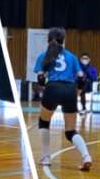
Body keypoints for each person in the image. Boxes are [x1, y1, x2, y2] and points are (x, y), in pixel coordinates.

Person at [34, 27, 92, 170]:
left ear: (48, 41)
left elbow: (40, 80)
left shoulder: (43, 56)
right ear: (63, 41)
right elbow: (82, 79)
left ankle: (46, 157)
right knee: (70, 131)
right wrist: (76, 93)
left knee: (44, 122)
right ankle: (86, 156)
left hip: (52, 88)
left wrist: (48, 90)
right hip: (70, 90)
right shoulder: (71, 57)